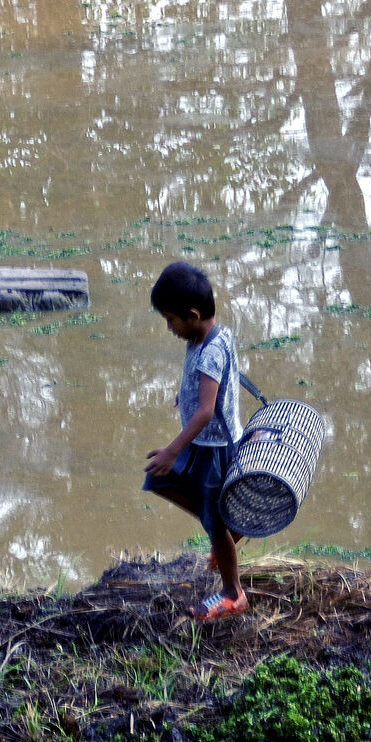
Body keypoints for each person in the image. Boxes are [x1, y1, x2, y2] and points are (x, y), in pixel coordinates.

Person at [143, 259, 249, 622]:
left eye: (171, 320)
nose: (169, 328)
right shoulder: (209, 336)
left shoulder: (212, 349)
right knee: (158, 479)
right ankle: (229, 526)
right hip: (202, 443)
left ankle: (233, 594)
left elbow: (206, 412)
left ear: (192, 314)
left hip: (213, 449)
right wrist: (184, 397)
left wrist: (173, 450)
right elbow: (209, 391)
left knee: (214, 522)